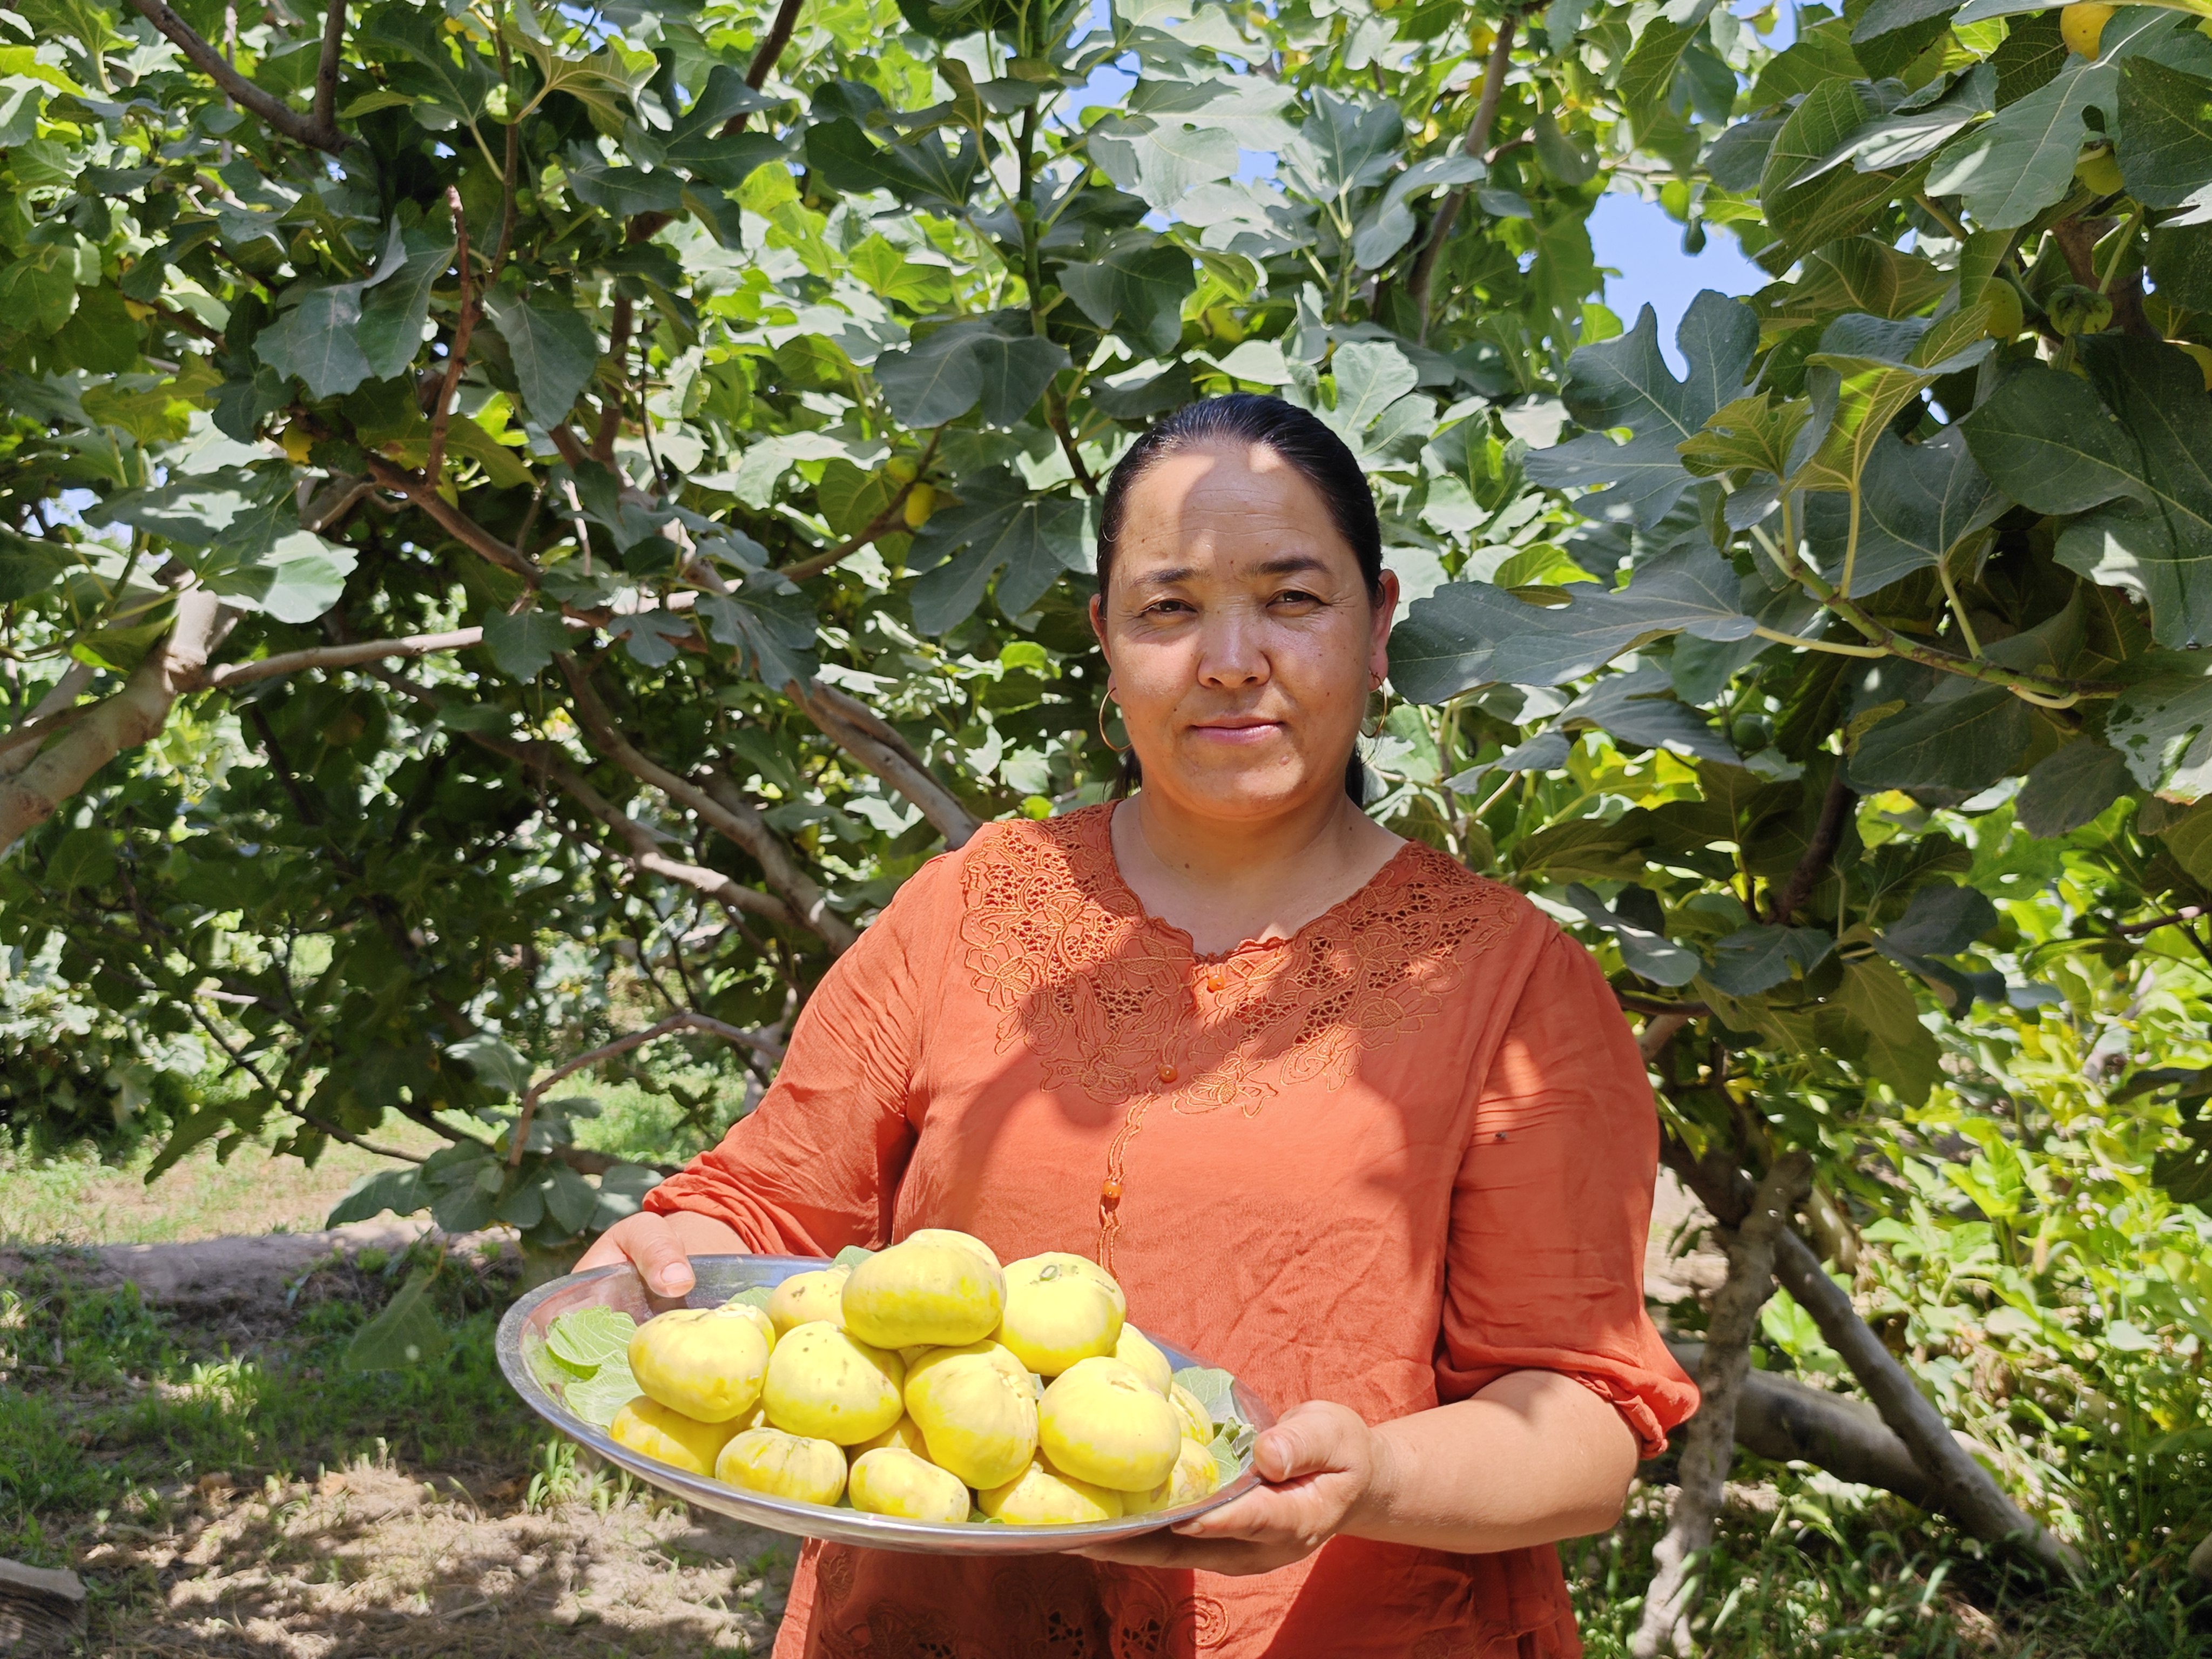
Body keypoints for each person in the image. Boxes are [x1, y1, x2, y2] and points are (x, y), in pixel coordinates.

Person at [579, 393, 1696, 1657]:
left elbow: (1578, 1432)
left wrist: (1364, 1479)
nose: (1229, 659)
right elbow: (770, 1211)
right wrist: (666, 1253)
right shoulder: (969, 910)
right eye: (1167, 608)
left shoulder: (1506, 983)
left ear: (1378, 626)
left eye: (1291, 599)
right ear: (1103, 638)